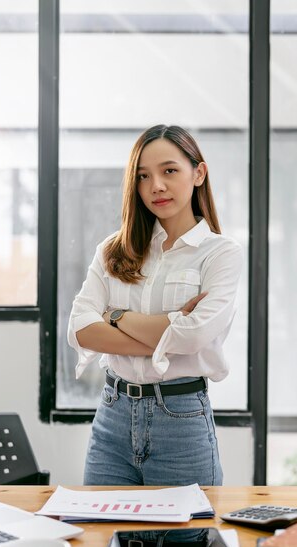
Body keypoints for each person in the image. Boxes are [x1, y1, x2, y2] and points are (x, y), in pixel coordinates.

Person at [67, 124, 242, 486]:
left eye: (169, 171)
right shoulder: (113, 249)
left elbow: (192, 337)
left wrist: (115, 316)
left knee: (185, 541)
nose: (156, 186)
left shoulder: (221, 253)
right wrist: (168, 330)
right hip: (112, 418)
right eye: (143, 176)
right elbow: (80, 329)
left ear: (198, 173)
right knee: (106, 537)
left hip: (181, 419)